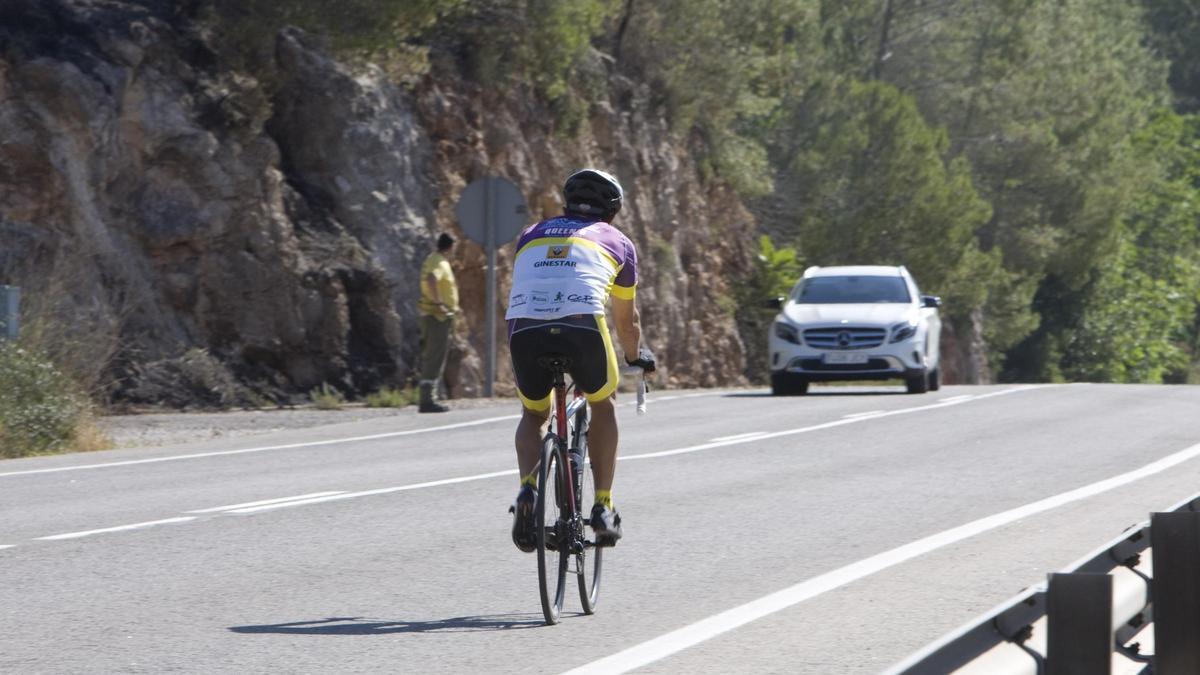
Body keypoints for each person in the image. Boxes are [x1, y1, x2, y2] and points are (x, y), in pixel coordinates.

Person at [505, 168, 656, 551]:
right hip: (581, 324)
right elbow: (627, 321)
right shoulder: (619, 242)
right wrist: (636, 357)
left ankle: (528, 491)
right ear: (613, 211)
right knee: (603, 404)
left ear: (567, 202)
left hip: (525, 326)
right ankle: (603, 506)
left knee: (533, 415)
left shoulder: (530, 233)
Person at [417, 233, 459, 413]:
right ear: (450, 247)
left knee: (434, 356)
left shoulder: (434, 259)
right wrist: (439, 303)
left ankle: (429, 398)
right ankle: (427, 400)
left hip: (436, 316)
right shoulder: (439, 262)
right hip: (437, 317)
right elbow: (431, 279)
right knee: (435, 357)